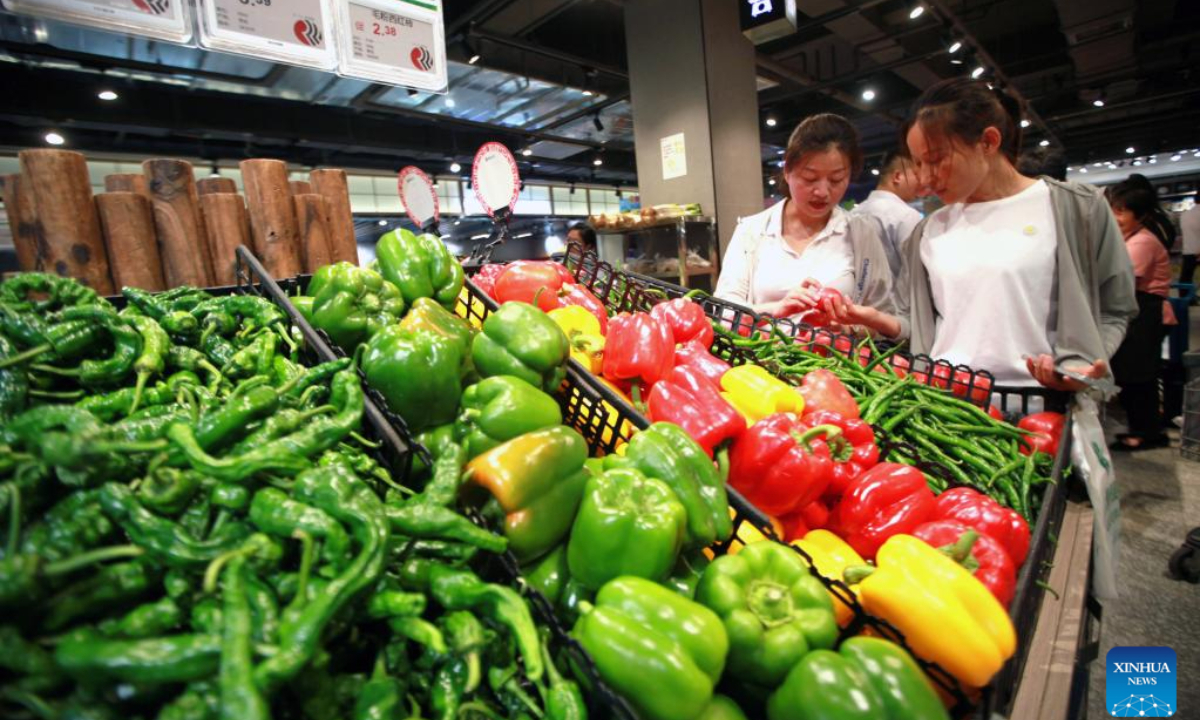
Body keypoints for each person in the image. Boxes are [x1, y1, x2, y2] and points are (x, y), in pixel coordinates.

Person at [802, 78, 1137, 394]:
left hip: (1043, 406)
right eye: (917, 163)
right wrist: (878, 320)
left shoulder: (1076, 208)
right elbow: (916, 325)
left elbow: (1114, 307)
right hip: (946, 405)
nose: (925, 177)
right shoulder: (928, 231)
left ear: (988, 142)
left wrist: (1082, 365)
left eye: (935, 160)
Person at [715, 113, 893, 320]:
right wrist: (775, 308)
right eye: (810, 178)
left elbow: (884, 316)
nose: (822, 192)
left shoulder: (860, 232)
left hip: (836, 351)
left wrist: (849, 326)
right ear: (787, 171)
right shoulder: (752, 231)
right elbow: (724, 313)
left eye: (836, 180)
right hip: (764, 350)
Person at [1107, 180, 1174, 450]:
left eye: (1122, 211)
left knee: (1140, 376)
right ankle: (1142, 428)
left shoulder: (1143, 241)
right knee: (1132, 374)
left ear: (1141, 215)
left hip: (1146, 311)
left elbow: (1122, 281)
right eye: (1113, 209)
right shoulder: (1130, 237)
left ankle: (1148, 434)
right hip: (1135, 310)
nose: (1116, 217)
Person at [853, 150, 923, 273]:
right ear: (897, 177)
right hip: (898, 291)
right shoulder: (906, 215)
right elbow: (917, 269)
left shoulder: (853, 213)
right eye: (917, 175)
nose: (922, 181)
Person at [1180, 203, 1200, 287]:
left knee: (1185, 280)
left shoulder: (1185, 215)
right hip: (1197, 251)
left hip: (1188, 252)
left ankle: (1186, 299)